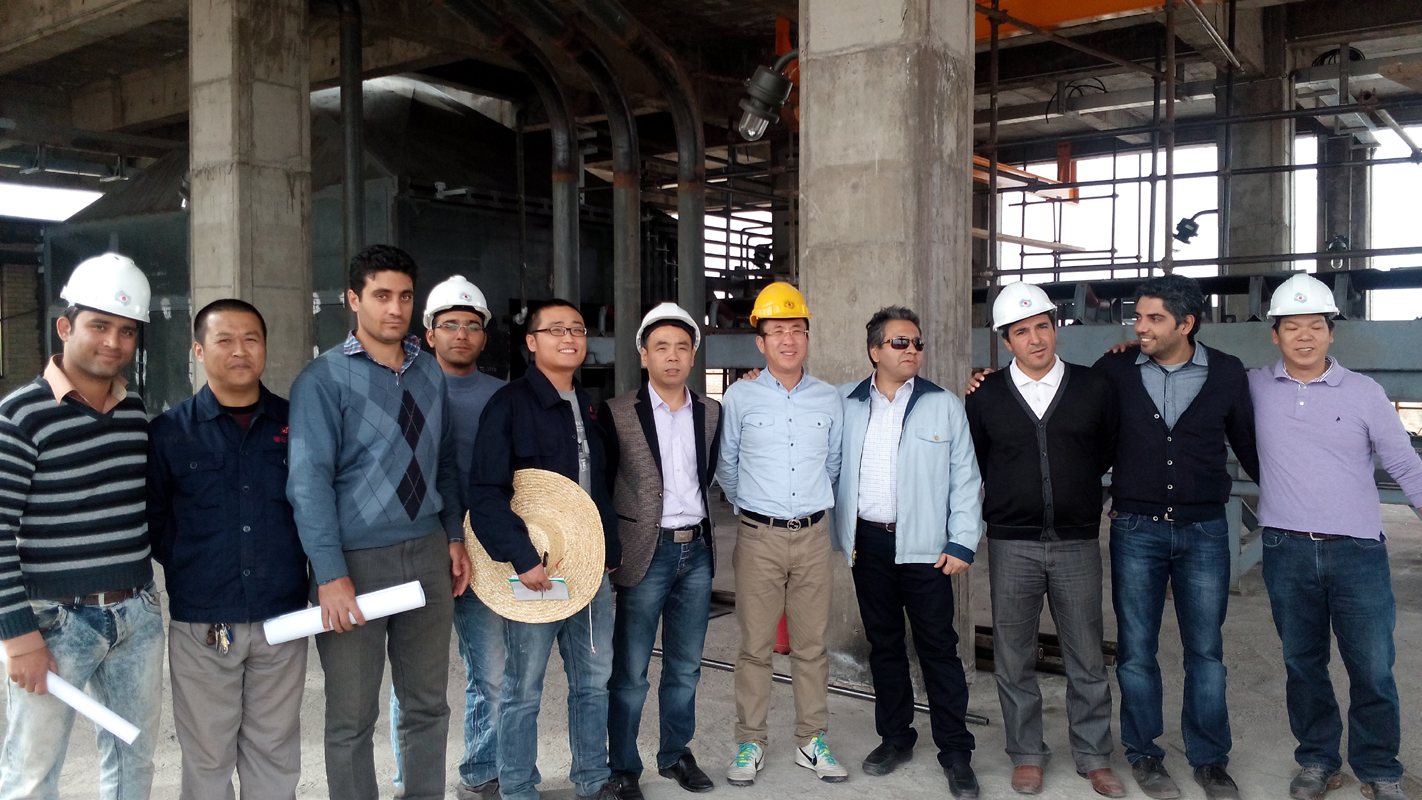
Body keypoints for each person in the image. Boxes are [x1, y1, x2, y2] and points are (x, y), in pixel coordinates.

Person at [287, 244, 472, 800]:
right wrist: (329, 574)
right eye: (381, 295)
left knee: (428, 706)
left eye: (405, 297)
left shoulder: (429, 372)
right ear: (353, 299)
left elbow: (444, 463)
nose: (395, 308)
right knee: (352, 716)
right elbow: (308, 484)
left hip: (427, 553)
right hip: (355, 564)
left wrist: (454, 536)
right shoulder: (322, 380)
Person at [1249, 274, 1422, 800]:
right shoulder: (1253, 387)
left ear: (1332, 333)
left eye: (1316, 326)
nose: (1304, 336)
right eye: (1292, 327)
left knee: (1372, 667)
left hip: (1357, 551)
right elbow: (1187, 367)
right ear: (1275, 334)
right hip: (1286, 549)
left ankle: (1380, 768)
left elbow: (1404, 464)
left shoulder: (1365, 392)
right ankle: (1317, 760)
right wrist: (1129, 346)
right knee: (1303, 665)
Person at [0, 254, 163, 800]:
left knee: (133, 764)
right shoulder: (20, 416)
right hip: (54, 622)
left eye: (127, 330)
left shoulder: (134, 410)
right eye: (99, 325)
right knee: (32, 774)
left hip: (137, 615)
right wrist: (19, 637)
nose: (113, 341)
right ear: (65, 327)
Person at [1093, 274, 1259, 800]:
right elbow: (1071, 411)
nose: (1140, 327)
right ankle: (1144, 753)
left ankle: (1209, 759)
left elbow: (1251, 446)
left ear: (1186, 324)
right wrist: (987, 380)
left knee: (1205, 651)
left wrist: (1292, 504)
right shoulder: (1115, 369)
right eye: (1138, 317)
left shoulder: (1227, 372)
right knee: (1136, 650)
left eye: (1154, 319)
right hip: (1135, 528)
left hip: (1205, 530)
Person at [965, 284, 1124, 798]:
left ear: (1055, 328)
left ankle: (1094, 755)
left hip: (1077, 542)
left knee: (1086, 656)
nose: (1035, 338)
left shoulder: (1093, 387)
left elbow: (1104, 451)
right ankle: (1027, 754)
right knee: (1014, 657)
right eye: (1021, 332)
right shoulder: (985, 396)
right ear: (1005, 340)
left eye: (1042, 326)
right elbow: (978, 461)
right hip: (1011, 545)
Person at [148, 299, 308, 800]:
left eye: (251, 339)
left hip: (281, 616)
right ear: (198, 350)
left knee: (274, 752)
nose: (240, 350)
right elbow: (156, 522)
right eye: (224, 340)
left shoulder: (297, 423)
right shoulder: (169, 432)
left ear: (265, 347)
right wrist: (198, 567)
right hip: (203, 621)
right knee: (206, 756)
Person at [466, 299, 623, 800]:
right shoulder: (509, 405)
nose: (569, 337)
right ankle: (516, 786)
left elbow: (603, 488)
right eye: (555, 329)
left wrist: (609, 549)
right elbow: (486, 491)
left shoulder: (592, 405)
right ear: (531, 342)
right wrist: (522, 558)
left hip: (588, 568)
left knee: (593, 681)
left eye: (577, 329)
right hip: (536, 570)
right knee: (523, 685)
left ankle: (592, 780)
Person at [831, 306, 984, 798]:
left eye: (917, 343)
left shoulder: (943, 404)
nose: (912, 350)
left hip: (926, 548)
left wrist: (962, 541)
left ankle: (956, 752)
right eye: (900, 342)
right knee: (885, 645)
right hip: (868, 544)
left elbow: (966, 479)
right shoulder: (845, 402)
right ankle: (895, 738)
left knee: (938, 648)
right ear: (875, 351)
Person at [716, 282, 845, 786]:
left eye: (796, 330)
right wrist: (756, 508)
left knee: (812, 646)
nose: (788, 340)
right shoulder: (739, 396)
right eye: (777, 331)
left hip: (813, 536)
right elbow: (727, 465)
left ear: (807, 337)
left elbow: (833, 464)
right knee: (755, 647)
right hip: (758, 537)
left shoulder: (828, 397)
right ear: (761, 342)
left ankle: (812, 741)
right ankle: (750, 742)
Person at [387, 276, 507, 799]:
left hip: (487, 552)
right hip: (420, 548)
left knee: (493, 672)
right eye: (450, 324)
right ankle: (409, 782)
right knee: (414, 680)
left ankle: (480, 771)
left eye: (472, 326)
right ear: (429, 334)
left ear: (484, 336)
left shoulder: (502, 396)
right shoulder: (402, 389)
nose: (462, 334)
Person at [599, 303, 722, 800]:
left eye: (682, 347)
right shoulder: (615, 412)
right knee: (630, 672)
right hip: (643, 553)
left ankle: (675, 754)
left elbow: (709, 474)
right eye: (661, 347)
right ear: (643, 355)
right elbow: (605, 484)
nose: (672, 356)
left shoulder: (710, 411)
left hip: (696, 551)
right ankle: (622, 767)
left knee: (685, 666)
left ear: (693, 356)